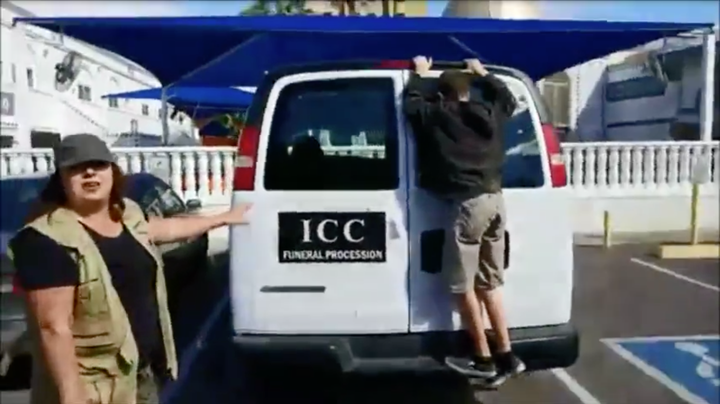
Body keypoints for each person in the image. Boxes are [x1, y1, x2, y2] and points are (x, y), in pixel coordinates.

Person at [8, 133, 252, 404]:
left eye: (98, 164)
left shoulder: (127, 215)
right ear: (62, 180)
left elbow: (166, 229)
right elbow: (53, 328)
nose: (89, 172)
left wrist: (224, 218)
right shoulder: (47, 239)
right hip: (94, 388)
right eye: (76, 167)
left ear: (113, 172)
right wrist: (71, 395)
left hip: (140, 374)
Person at [403, 56, 525, 384]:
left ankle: (483, 360)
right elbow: (508, 99)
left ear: (442, 95)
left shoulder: (438, 115)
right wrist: (483, 72)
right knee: (489, 283)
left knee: (461, 285)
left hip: (468, 205)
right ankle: (507, 355)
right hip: (495, 200)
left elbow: (411, 105)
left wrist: (419, 74)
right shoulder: (491, 114)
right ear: (469, 93)